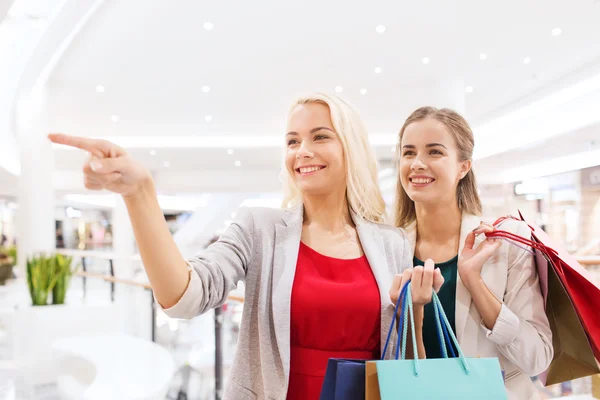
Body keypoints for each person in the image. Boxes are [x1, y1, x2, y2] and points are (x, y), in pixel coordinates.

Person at [48, 93, 442, 400]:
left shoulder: (391, 242)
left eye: (320, 136)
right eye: (292, 141)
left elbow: (404, 359)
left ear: (350, 148)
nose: (302, 150)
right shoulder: (259, 227)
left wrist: (417, 309)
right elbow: (184, 297)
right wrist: (140, 193)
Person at [389, 106, 553, 399]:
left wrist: (474, 281)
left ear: (463, 167)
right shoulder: (386, 248)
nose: (417, 163)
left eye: (434, 152)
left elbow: (537, 358)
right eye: (408, 152)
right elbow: (391, 357)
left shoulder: (502, 244)